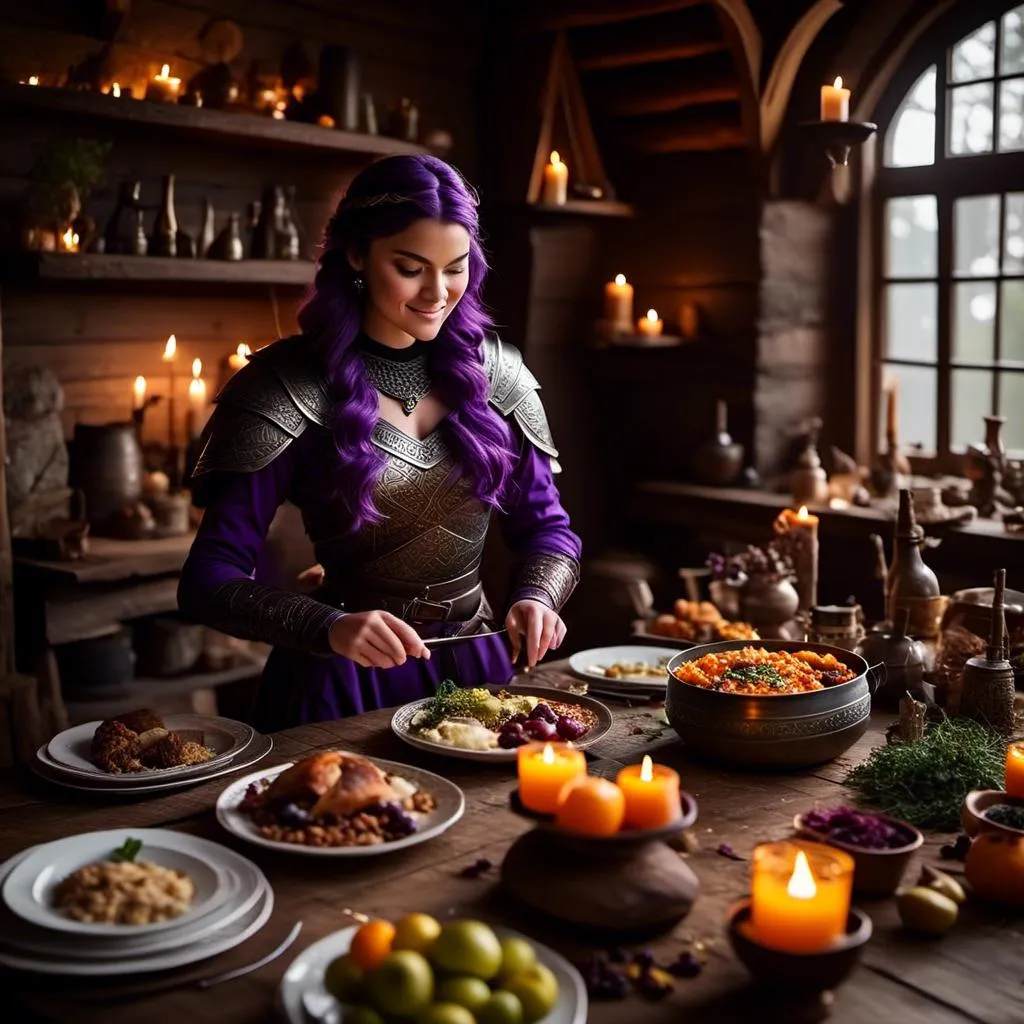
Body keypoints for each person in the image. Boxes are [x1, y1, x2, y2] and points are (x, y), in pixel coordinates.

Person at [178, 154, 581, 729]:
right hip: (341, 677)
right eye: (411, 268)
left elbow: (548, 529)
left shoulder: (499, 376)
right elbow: (207, 579)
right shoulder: (285, 385)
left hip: (478, 675)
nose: (438, 293)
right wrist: (327, 627)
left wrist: (539, 597)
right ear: (357, 255)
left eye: (456, 267)